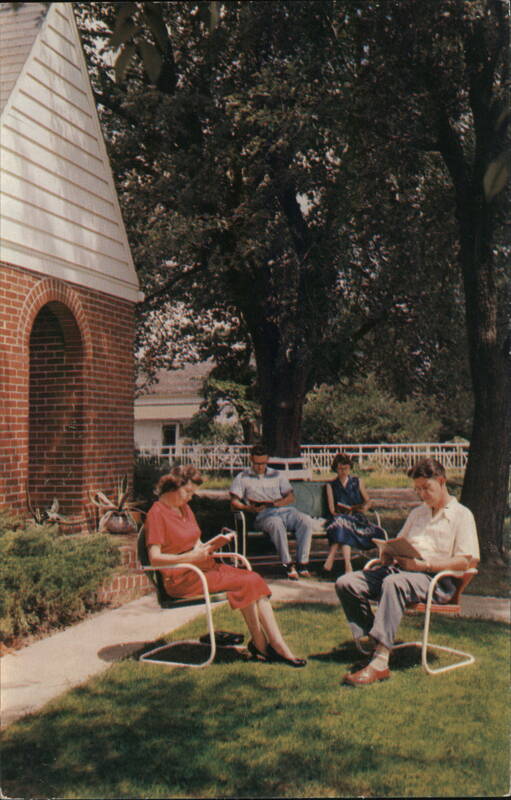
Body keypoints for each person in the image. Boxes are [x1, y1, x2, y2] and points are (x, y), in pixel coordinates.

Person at [336, 458, 479, 686]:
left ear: (441, 482)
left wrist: (424, 565)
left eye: (426, 488)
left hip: (434, 579)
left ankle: (380, 663)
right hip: (400, 571)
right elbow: (399, 541)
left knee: (394, 583)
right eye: (417, 489)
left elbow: (464, 561)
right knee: (347, 583)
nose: (421, 494)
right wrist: (388, 552)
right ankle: (377, 645)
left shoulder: (462, 515)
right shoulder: (418, 513)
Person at [145, 465, 306, 667]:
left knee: (252, 578)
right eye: (187, 492)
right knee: (247, 581)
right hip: (182, 578)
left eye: (192, 493)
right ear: (172, 487)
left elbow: (196, 542)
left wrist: (210, 546)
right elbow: (155, 558)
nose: (190, 498)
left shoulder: (183, 508)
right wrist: (191, 557)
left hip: (203, 568)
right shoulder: (156, 514)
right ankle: (273, 646)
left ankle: (265, 644)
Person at [229, 444, 314, 580]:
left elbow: (290, 497)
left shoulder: (277, 474)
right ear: (251, 459)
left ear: (267, 459)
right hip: (263, 514)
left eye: (263, 463)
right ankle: (288, 564)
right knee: (276, 523)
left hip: (283, 510)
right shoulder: (242, 477)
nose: (260, 467)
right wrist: (248, 508)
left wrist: (277, 503)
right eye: (257, 463)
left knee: (306, 521)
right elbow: (234, 502)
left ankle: (302, 563)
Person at [323, 453, 386, 573]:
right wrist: (341, 512)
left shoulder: (357, 482)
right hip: (339, 518)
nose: (343, 471)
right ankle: (348, 565)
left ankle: (331, 558)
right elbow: (332, 510)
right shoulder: (330, 485)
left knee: (343, 525)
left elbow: (368, 501)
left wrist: (365, 507)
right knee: (341, 522)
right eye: (340, 468)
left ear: (350, 468)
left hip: (356, 519)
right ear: (335, 469)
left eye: (345, 468)